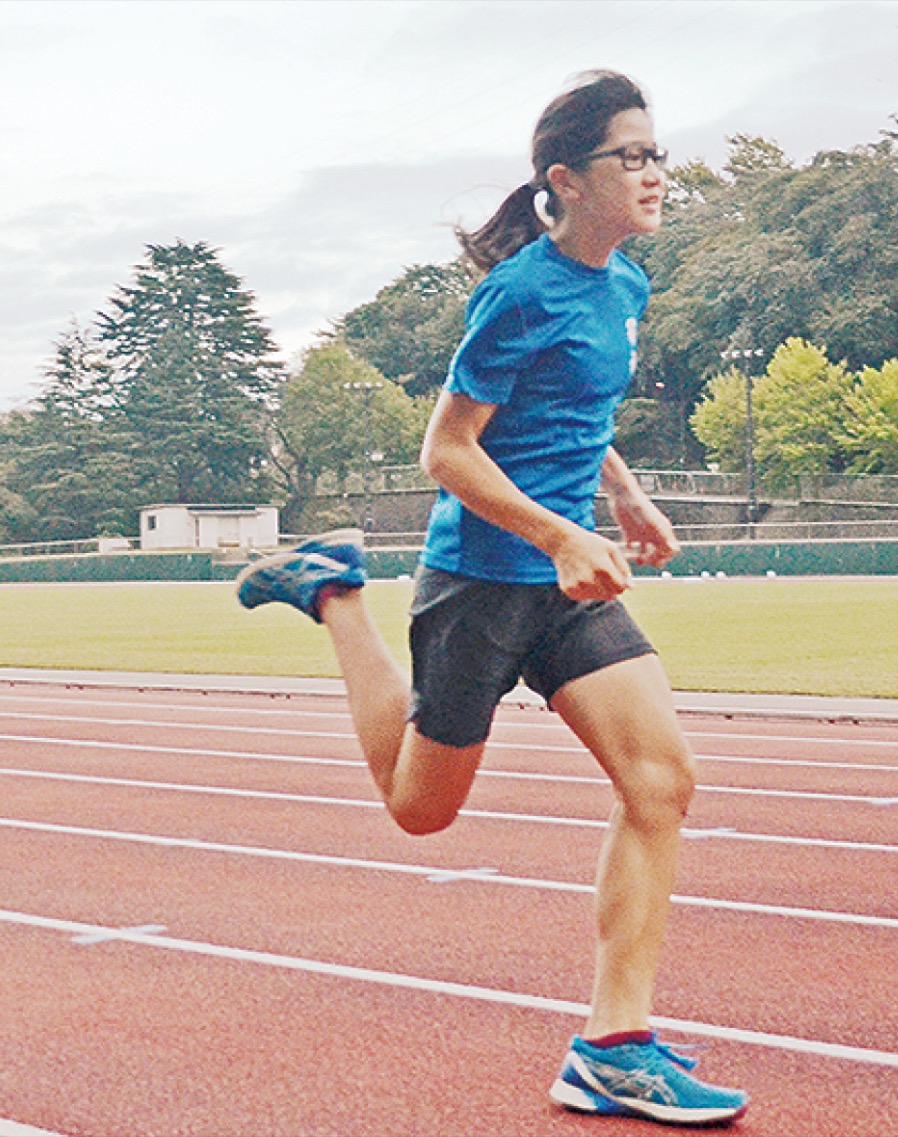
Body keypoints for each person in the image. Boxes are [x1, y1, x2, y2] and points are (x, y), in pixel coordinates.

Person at [237, 71, 749, 1128]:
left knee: (661, 780)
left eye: (660, 154)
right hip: (482, 580)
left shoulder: (627, 288)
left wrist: (627, 498)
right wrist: (559, 531)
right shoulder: (518, 293)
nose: (656, 174)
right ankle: (337, 596)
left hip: (565, 586)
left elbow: (576, 413)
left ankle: (614, 1047)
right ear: (566, 179)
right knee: (421, 811)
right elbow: (447, 449)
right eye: (632, 157)